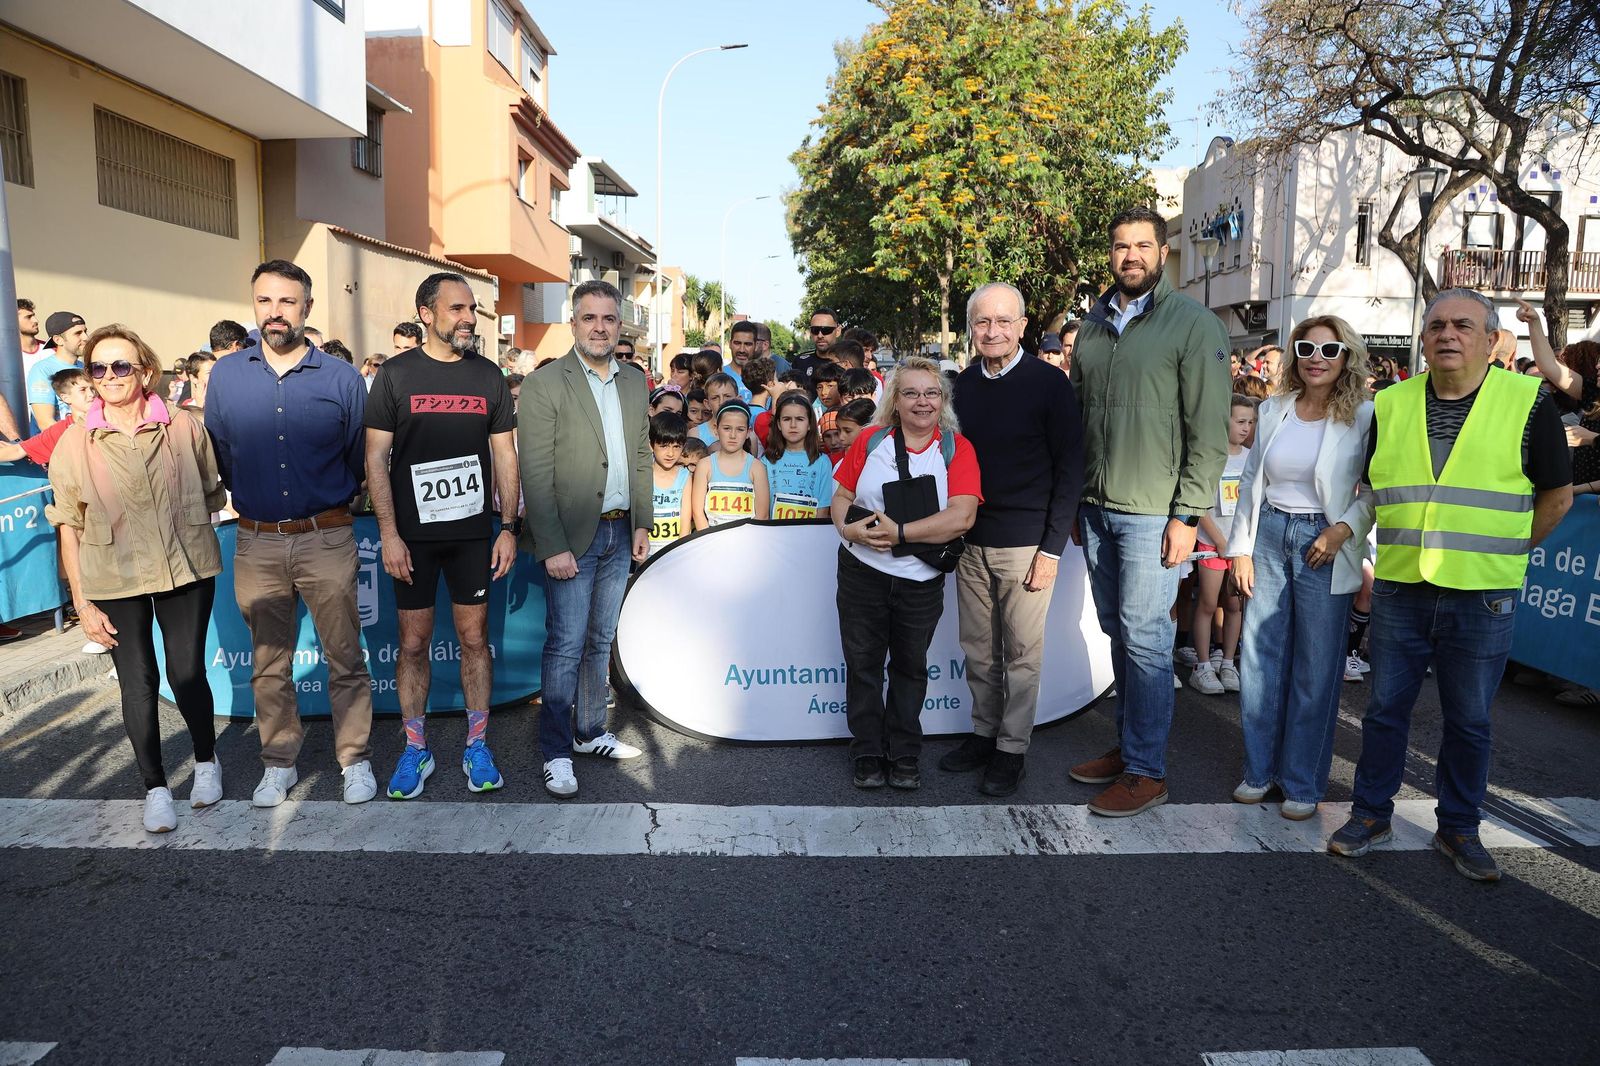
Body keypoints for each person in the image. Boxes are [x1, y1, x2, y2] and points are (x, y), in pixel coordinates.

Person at [1328, 289, 1573, 882]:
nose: (1447, 335)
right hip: (1400, 587)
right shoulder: (1391, 404)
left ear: (1491, 341)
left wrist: (1508, 553)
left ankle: (1459, 826)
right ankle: (1370, 814)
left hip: (1481, 593)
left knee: (1469, 720)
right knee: (1385, 711)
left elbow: (1558, 496)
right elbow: (1372, 488)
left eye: (1463, 325)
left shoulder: (1527, 402)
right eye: (1436, 325)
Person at [1067, 204, 1233, 816]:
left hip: (1153, 514)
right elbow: (1080, 419)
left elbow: (1209, 432)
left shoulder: (1194, 325)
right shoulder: (1092, 325)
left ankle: (1147, 770)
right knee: (1119, 632)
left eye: (1142, 245)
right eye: (1119, 246)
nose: (1130, 255)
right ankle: (1128, 744)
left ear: (1162, 253)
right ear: (1109, 255)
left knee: (1145, 639)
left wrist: (1187, 517)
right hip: (1098, 508)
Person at [205, 259, 378, 807]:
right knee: (268, 660)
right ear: (253, 305)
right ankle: (278, 762)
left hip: (326, 535)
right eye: (264, 301)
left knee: (344, 655)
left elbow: (359, 457)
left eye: (286, 302)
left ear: (307, 307)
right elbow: (222, 452)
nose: (274, 312)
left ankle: (355, 759)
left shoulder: (343, 379)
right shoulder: (228, 375)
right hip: (256, 539)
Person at [45, 325, 227, 833]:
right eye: (98, 369)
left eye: (120, 366)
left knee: (187, 672)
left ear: (145, 370)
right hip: (112, 578)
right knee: (138, 681)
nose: (109, 376)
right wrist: (81, 601)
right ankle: (155, 786)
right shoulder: (75, 443)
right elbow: (69, 526)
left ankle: (208, 762)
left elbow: (211, 489)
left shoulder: (185, 427)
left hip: (185, 567)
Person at [365, 272, 520, 800]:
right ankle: (416, 748)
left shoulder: (488, 376)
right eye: (457, 309)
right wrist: (388, 533)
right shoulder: (395, 375)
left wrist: (508, 527)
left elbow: (505, 455)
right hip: (413, 539)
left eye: (471, 309)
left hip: (474, 536)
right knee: (412, 643)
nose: (469, 318)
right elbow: (375, 458)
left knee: (475, 640)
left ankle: (477, 744)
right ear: (426, 314)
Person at [1226, 317, 1376, 820]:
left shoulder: (1365, 415)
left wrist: (1343, 530)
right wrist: (1240, 548)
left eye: (1329, 349)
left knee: (1316, 668)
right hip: (1268, 535)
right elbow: (1251, 480)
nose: (1317, 356)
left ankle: (1302, 780)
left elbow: (1379, 489)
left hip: (1324, 543)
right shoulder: (1273, 409)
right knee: (1259, 660)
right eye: (1307, 346)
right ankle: (1258, 770)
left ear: (1346, 356)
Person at [942, 282, 1083, 797]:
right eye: (983, 322)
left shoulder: (1049, 383)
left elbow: (1070, 469)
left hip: (1027, 545)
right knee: (978, 650)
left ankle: (1011, 749)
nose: (993, 331)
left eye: (1004, 321)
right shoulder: (959, 387)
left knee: (1022, 653)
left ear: (1022, 327)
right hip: (969, 542)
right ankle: (983, 734)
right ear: (971, 328)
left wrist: (1051, 549)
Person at [518, 279, 651, 798]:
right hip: (572, 536)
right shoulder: (546, 384)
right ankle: (554, 751)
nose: (600, 327)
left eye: (609, 319)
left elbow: (640, 456)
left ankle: (589, 730)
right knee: (566, 645)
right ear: (573, 323)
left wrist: (641, 522)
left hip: (622, 528)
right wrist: (552, 545)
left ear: (620, 325)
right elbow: (535, 470)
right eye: (589, 318)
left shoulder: (635, 383)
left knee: (599, 641)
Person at [831, 356, 981, 789]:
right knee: (862, 664)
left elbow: (962, 517)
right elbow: (840, 495)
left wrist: (899, 533)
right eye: (911, 393)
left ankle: (904, 752)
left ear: (943, 402)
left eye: (931, 393)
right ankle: (867, 750)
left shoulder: (957, 448)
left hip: (920, 583)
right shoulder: (870, 440)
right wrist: (847, 527)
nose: (922, 402)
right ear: (895, 401)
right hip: (862, 573)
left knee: (911, 667)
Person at [1185, 394, 1256, 695]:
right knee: (1207, 603)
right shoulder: (1211, 457)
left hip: (1241, 548)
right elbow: (1199, 506)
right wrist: (1219, 540)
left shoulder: (1252, 457)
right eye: (1240, 421)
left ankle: (1227, 661)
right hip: (1212, 544)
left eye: (1251, 423)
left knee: (1235, 605)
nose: (1246, 428)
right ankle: (1202, 665)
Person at [1519, 299, 1599, 491]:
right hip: (1585, 505)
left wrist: (1592, 438)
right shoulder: (1593, 394)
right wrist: (1534, 323)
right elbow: (1549, 366)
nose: (1597, 366)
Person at [692, 401, 769, 527]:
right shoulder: (705, 465)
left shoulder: (757, 467)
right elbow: (697, 512)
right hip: (711, 542)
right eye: (727, 428)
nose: (733, 435)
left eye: (740, 429)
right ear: (716, 429)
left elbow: (762, 515)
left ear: (748, 432)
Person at [763, 391, 835, 520]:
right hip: (773, 535)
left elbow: (822, 512)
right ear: (779, 424)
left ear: (809, 424)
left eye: (800, 419)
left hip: (808, 536)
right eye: (786, 419)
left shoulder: (822, 462)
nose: (793, 425)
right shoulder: (766, 461)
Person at [0, 368, 94, 467]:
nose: (91, 394)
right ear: (66, 398)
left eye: (93, 389)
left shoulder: (109, 418)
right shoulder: (59, 431)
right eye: (83, 390)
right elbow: (18, 450)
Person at [28, 311, 87, 431]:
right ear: (58, 340)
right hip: (56, 447)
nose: (86, 337)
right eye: (78, 333)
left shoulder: (85, 368)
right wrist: (76, 442)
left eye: (85, 331)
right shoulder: (42, 370)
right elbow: (45, 423)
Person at [648, 411, 691, 555]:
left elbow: (685, 521)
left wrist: (679, 554)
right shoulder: (642, 474)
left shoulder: (684, 476)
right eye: (664, 446)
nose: (670, 453)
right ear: (651, 445)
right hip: (645, 554)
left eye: (676, 446)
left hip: (674, 555)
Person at [792, 308, 841, 390]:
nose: (820, 335)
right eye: (815, 330)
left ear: (838, 331)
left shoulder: (847, 362)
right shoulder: (800, 362)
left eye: (826, 330)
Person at [692, 373, 742, 448]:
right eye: (715, 398)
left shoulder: (747, 435)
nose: (721, 402)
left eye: (727, 396)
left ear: (738, 400)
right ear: (707, 404)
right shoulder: (695, 434)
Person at [181, 351, 216, 416]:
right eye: (209, 373)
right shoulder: (188, 407)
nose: (216, 375)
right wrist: (199, 407)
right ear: (194, 378)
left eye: (217, 371)